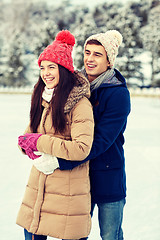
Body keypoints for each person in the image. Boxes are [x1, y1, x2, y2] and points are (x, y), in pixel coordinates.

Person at [16, 30, 94, 240]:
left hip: (68, 195)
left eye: (52, 67)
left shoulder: (79, 103)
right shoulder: (42, 98)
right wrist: (25, 144)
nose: (46, 73)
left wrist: (41, 142)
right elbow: (29, 135)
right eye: (42, 68)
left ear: (64, 69)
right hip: (38, 192)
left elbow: (81, 148)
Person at [58, 30, 131, 240]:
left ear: (109, 61)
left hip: (108, 175)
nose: (89, 59)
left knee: (111, 235)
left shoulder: (118, 93)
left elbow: (102, 140)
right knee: (74, 234)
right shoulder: (73, 86)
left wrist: (63, 161)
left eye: (97, 54)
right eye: (87, 52)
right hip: (79, 177)